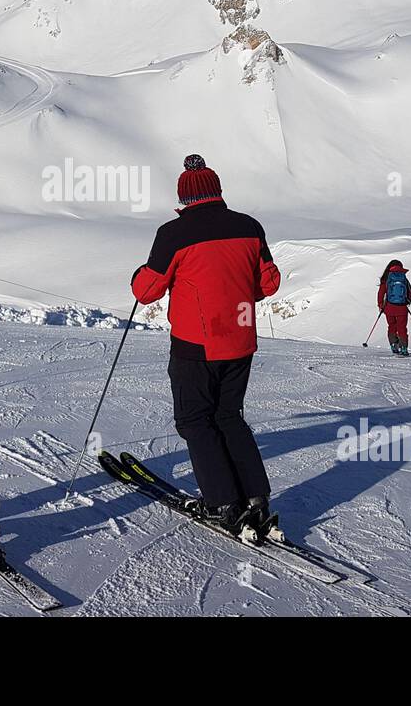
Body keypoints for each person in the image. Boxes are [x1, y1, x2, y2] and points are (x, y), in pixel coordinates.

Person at [130, 154, 282, 540]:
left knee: (196, 421)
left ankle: (222, 502)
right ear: (218, 191)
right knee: (229, 416)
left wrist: (137, 274)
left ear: (184, 198)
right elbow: (269, 284)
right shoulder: (249, 226)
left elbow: (146, 291)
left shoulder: (174, 234)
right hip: (241, 340)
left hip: (195, 345)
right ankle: (255, 499)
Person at [377, 259, 411, 355]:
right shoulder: (403, 278)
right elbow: (410, 293)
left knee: (392, 326)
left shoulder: (386, 278)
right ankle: (404, 348)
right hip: (402, 308)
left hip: (389, 307)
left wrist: (381, 305)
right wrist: (407, 301)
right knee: (402, 327)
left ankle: (394, 345)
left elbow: (380, 294)